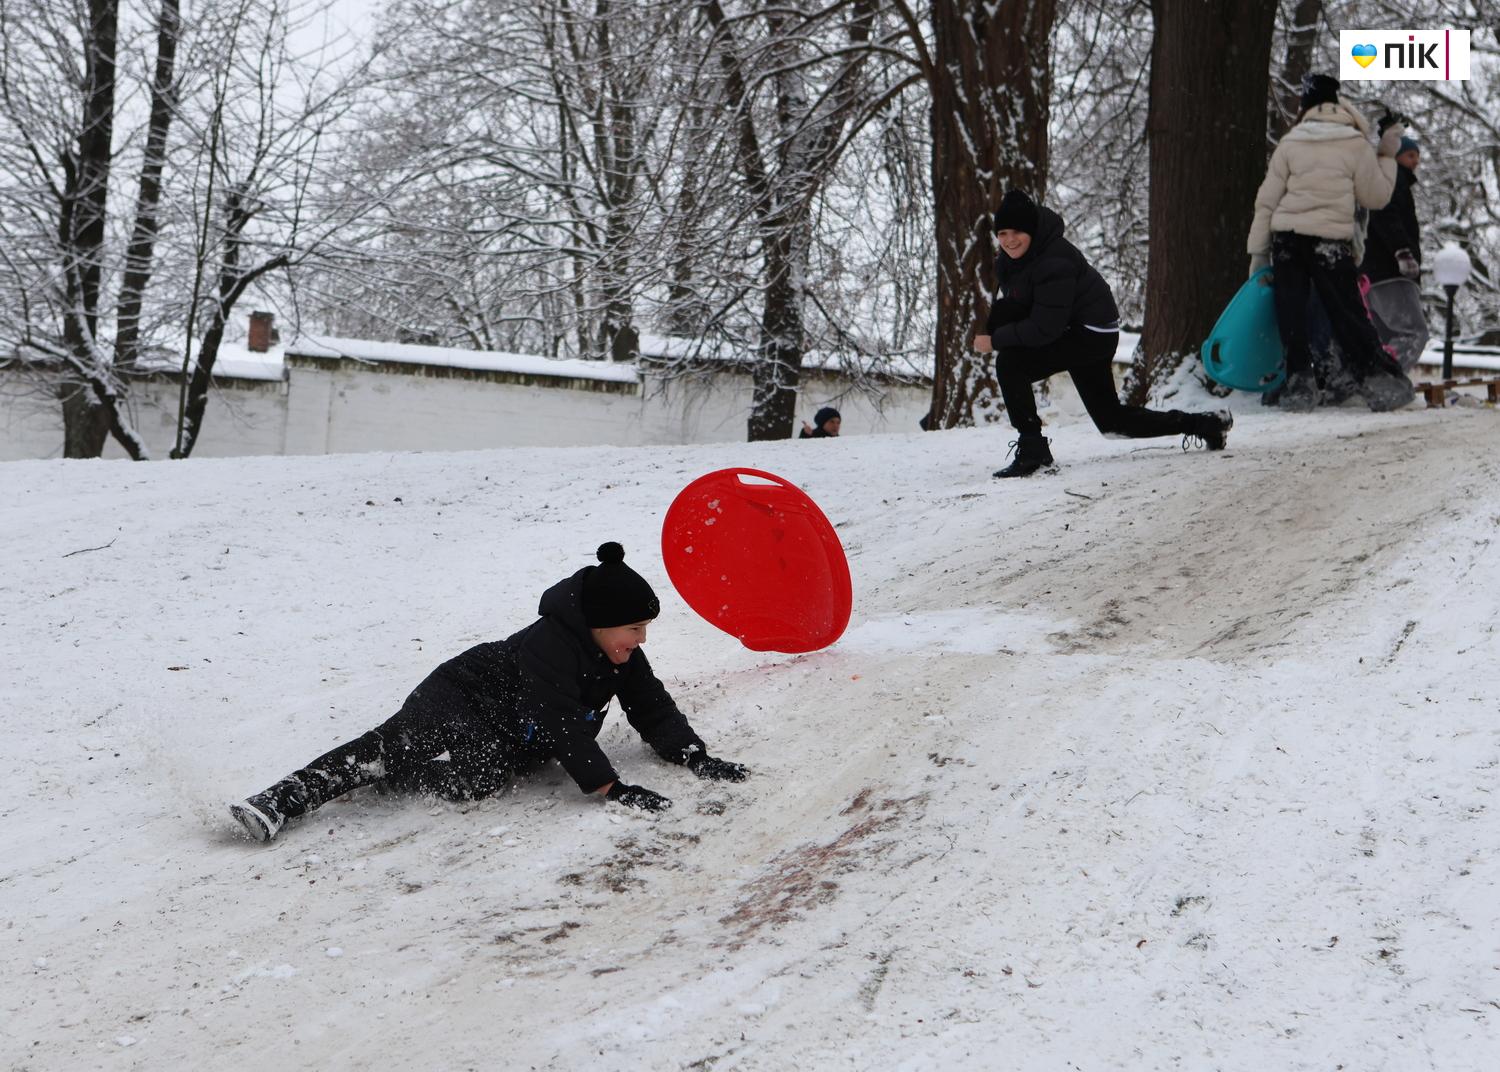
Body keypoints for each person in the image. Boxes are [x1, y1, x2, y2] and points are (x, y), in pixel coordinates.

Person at [230, 543, 749, 842]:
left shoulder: (622, 655)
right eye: (633, 627)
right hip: (463, 692)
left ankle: (398, 775)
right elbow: (563, 720)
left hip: (509, 727)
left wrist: (692, 756)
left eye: (644, 628)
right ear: (597, 624)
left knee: (477, 780)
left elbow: (651, 704)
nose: (641, 640)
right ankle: (281, 801)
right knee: (390, 745)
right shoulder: (551, 646)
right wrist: (609, 787)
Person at [973, 189, 1232, 479]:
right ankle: (1207, 424)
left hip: (1090, 334)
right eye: (1003, 232)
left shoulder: (1054, 260)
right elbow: (1020, 304)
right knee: (1112, 423)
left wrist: (995, 340)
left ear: (1031, 229)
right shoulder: (1013, 260)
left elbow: (1045, 327)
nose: (1009, 240)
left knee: (1010, 363)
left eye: (1017, 231)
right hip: (1073, 330)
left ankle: (1033, 450)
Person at [1246, 73, 1414, 412]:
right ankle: (1377, 379)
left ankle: (1298, 384)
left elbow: (1267, 201)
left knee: (1291, 315)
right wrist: (1386, 153)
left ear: (1306, 109)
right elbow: (1376, 196)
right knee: (1348, 314)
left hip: (1288, 241)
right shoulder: (1355, 144)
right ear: (1340, 108)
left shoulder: (1291, 143)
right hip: (1330, 242)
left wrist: (1258, 254)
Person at [1360, 132, 1422, 285]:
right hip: (1390, 269)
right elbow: (1386, 213)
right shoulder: (1393, 178)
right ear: (1396, 156)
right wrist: (1402, 251)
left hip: (1380, 268)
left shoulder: (1389, 179)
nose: (1416, 161)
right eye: (1411, 155)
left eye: (1417, 157)